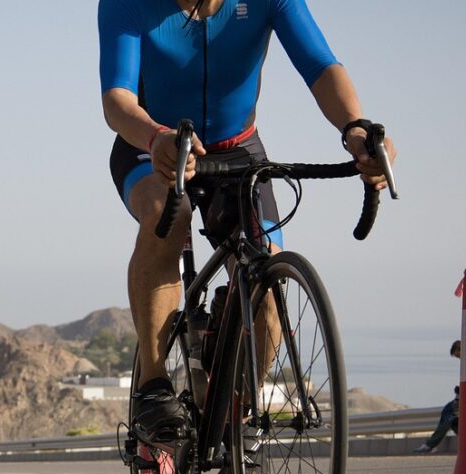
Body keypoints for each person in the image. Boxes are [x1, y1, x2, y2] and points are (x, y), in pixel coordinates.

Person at [98, 0, 397, 441]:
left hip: (238, 149)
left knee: (268, 277)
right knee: (168, 215)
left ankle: (237, 410)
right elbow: (117, 98)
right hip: (152, 145)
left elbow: (320, 66)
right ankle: (153, 385)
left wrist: (355, 128)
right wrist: (155, 136)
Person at [415, 340, 462, 453]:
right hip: (461, 398)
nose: (459, 359)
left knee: (448, 414)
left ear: (460, 350)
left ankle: (430, 444)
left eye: (458, 356)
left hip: (462, 400)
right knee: (453, 420)